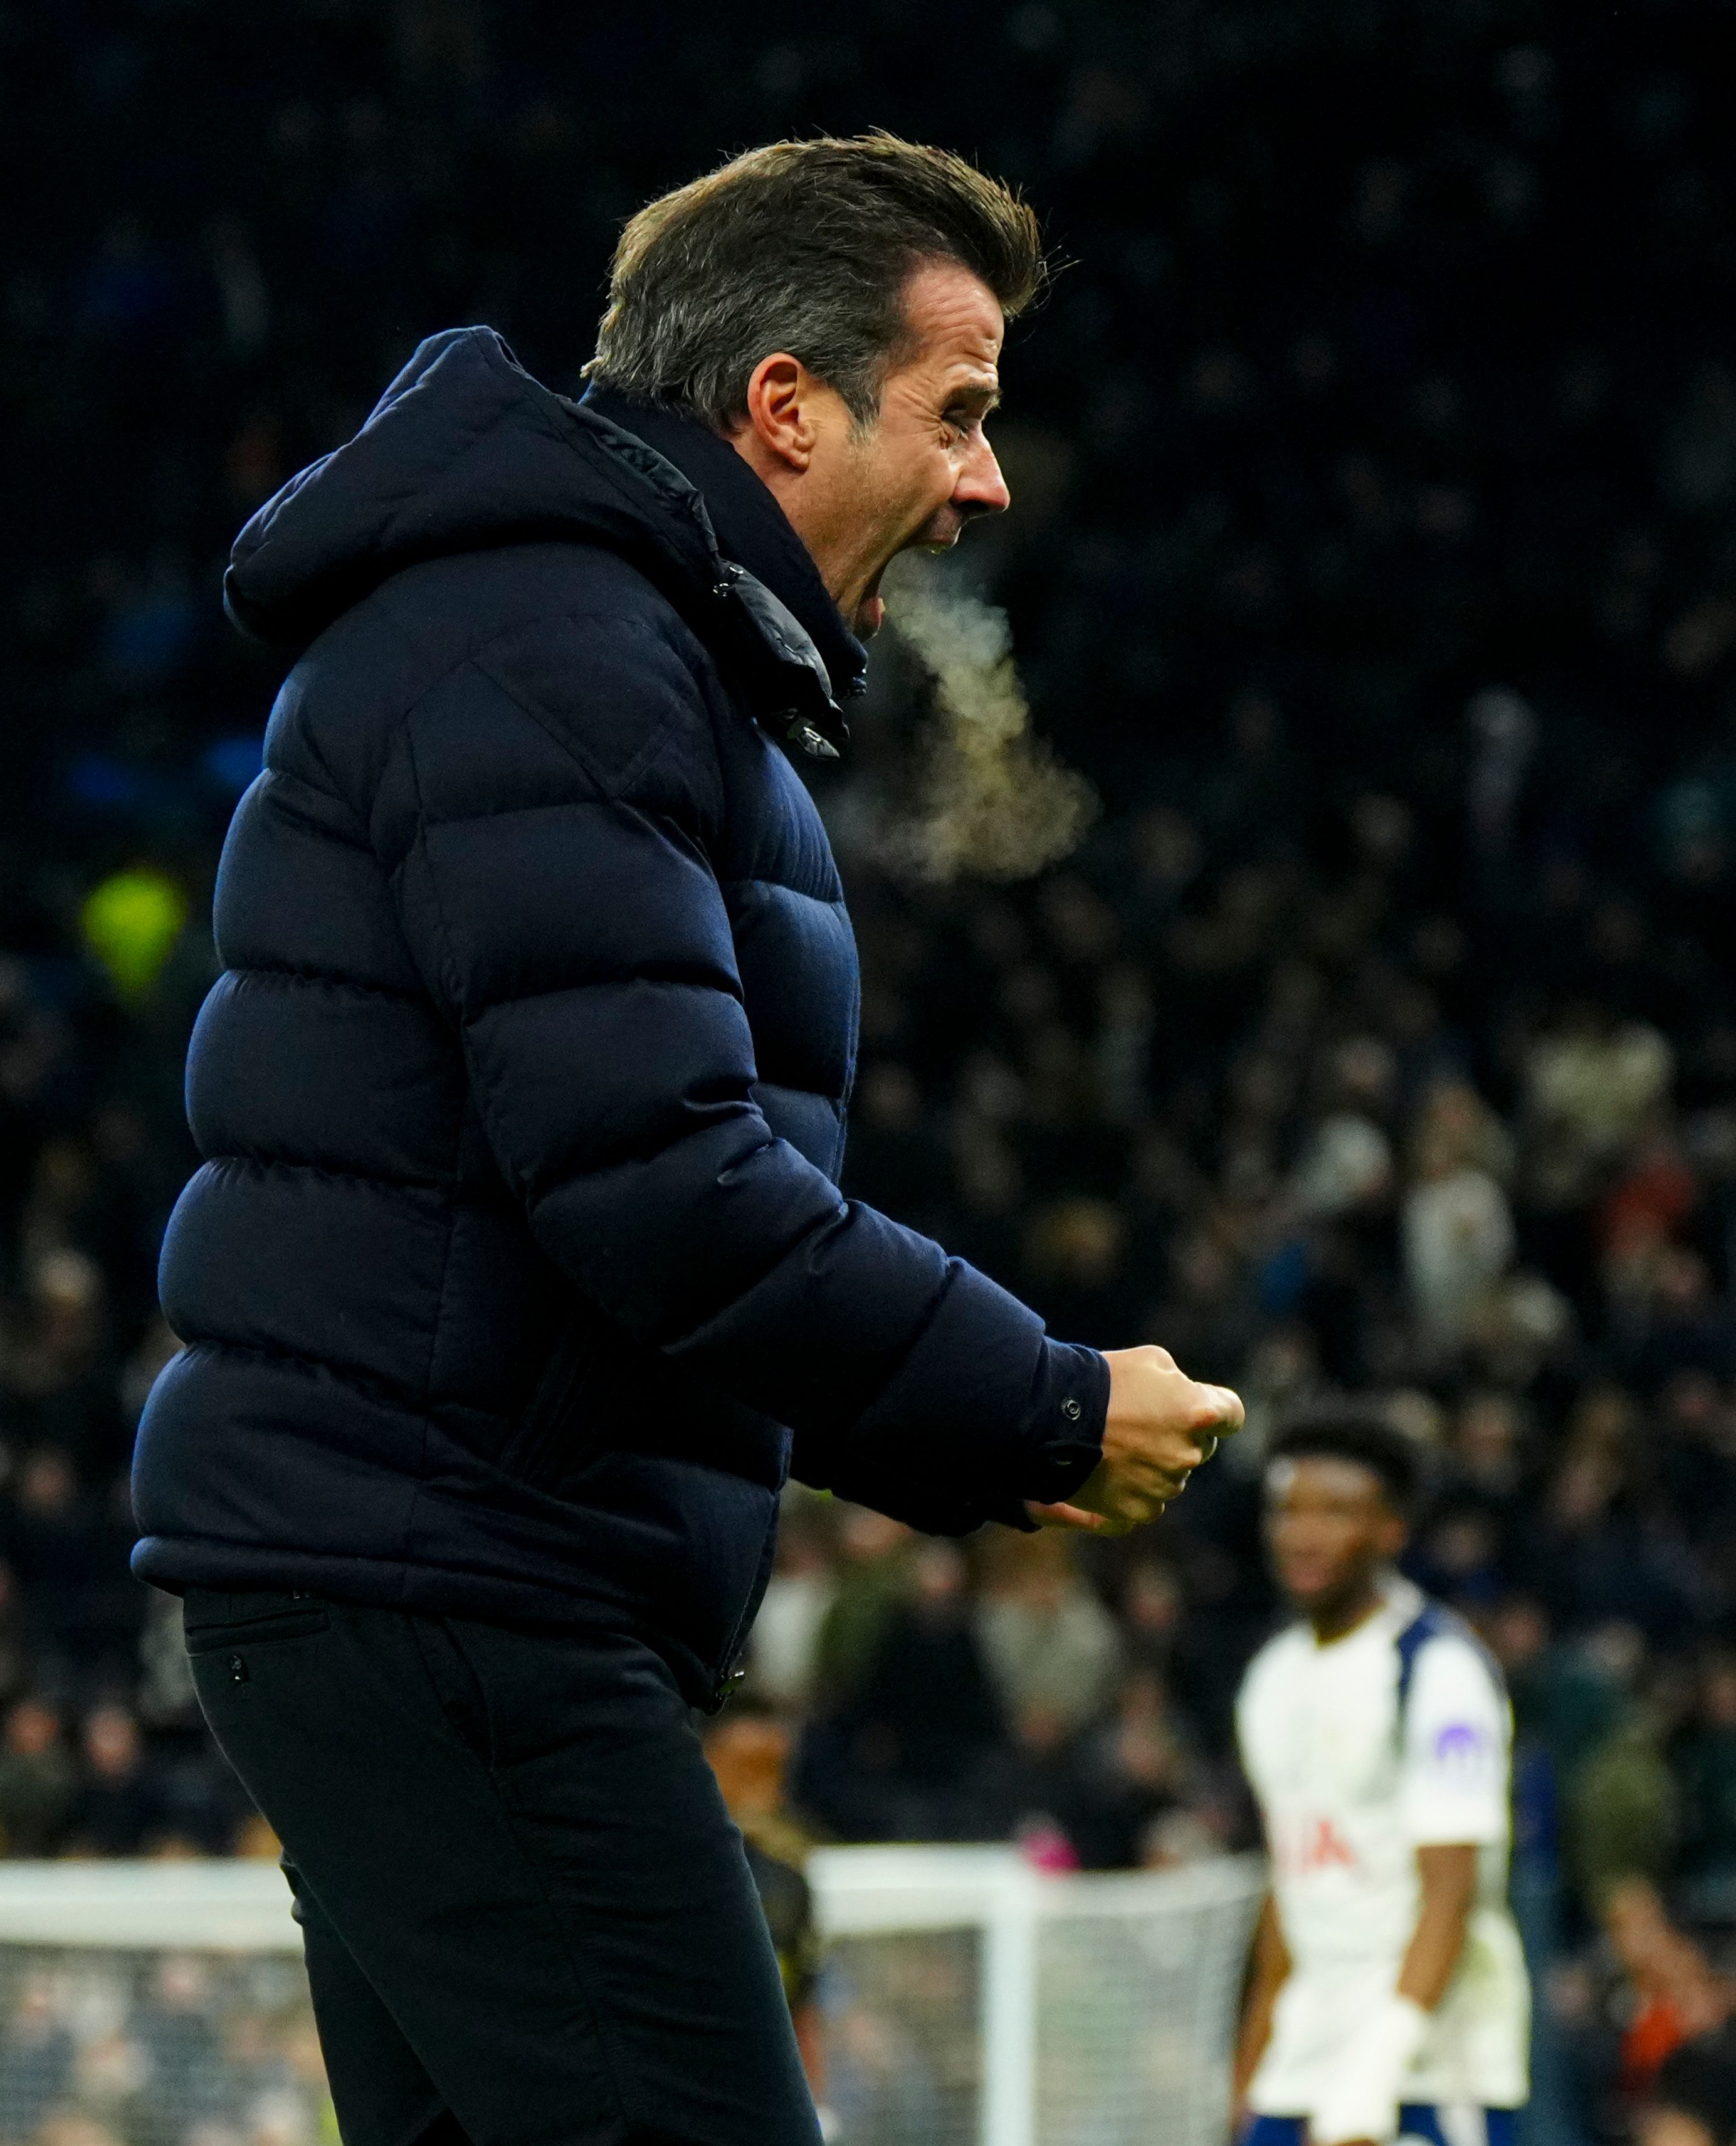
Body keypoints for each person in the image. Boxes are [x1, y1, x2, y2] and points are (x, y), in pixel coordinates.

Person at [129, 135, 1244, 2146]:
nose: (987, 481)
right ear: (784, 406)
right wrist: (1049, 1408)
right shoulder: (561, 649)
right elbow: (660, 1190)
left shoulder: (586, 649)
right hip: (459, 1586)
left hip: (419, 1569)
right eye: (961, 409)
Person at [1233, 1415, 1529, 2146]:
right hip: (1301, 2065)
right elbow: (1293, 1885)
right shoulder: (1272, 1678)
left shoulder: (1438, 1669)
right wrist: (1250, 2068)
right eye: (1289, 1509)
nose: (1304, 1534)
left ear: (1392, 1529)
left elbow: (1453, 1889)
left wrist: (1376, 2066)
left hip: (1426, 2070)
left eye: (1335, 1511)